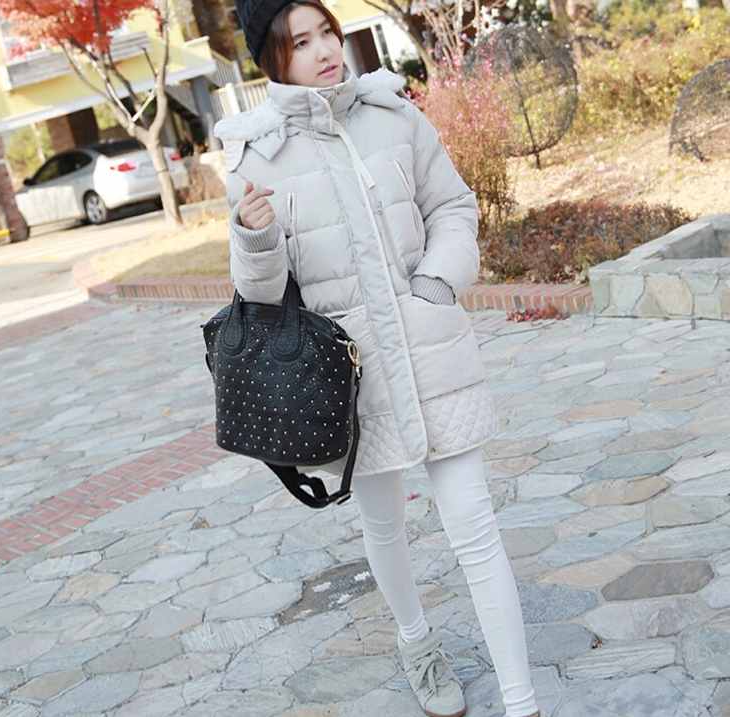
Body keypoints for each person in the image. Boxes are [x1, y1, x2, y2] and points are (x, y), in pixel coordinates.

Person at [213, 2, 540, 716]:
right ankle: (417, 643)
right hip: (351, 380)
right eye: (301, 42)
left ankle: (522, 703)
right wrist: (253, 239)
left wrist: (436, 284)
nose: (324, 50)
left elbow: (452, 207)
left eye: (327, 32)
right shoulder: (253, 156)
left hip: (432, 353)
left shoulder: (394, 114)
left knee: (476, 527)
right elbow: (262, 297)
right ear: (273, 58)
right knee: (384, 523)